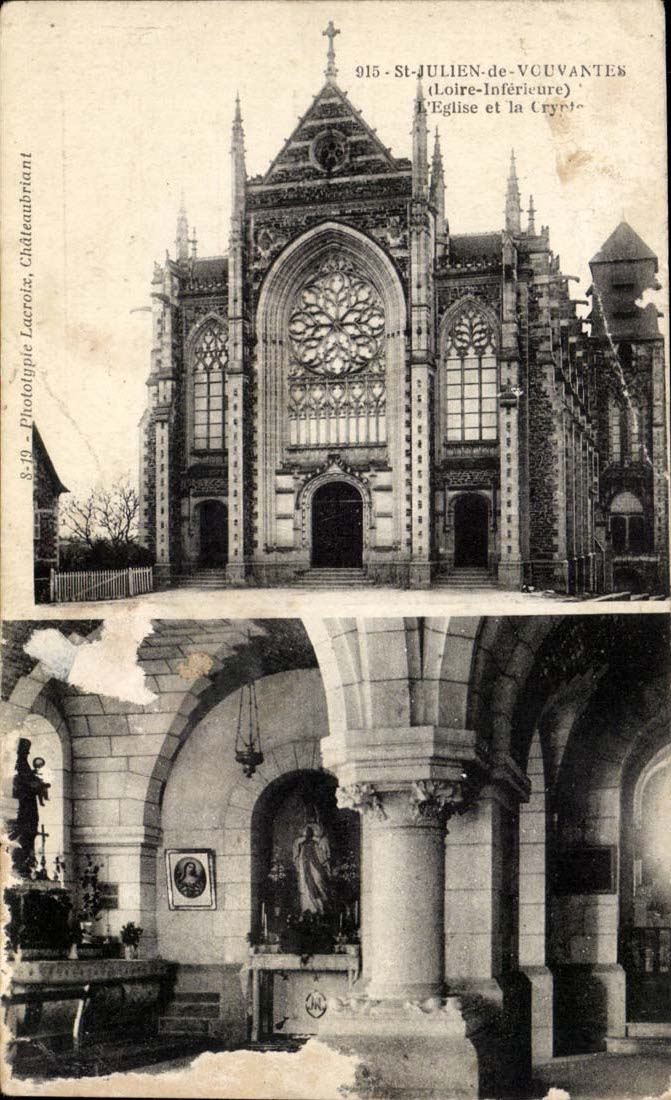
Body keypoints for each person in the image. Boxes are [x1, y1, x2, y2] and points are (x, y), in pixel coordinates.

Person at [292, 821, 330, 915]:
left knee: (318, 882)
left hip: (317, 868)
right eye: (307, 831)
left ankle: (321, 909)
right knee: (306, 887)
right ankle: (308, 910)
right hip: (305, 869)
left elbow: (325, 854)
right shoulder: (301, 842)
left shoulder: (319, 840)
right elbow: (296, 854)